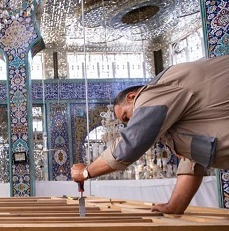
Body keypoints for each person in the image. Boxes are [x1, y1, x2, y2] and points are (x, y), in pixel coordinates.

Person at [71, 55, 229, 214]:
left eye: (127, 116)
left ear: (132, 97)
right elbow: (193, 161)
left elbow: (131, 142)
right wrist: (174, 207)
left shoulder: (153, 92)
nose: (131, 122)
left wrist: (87, 171)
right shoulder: (178, 121)